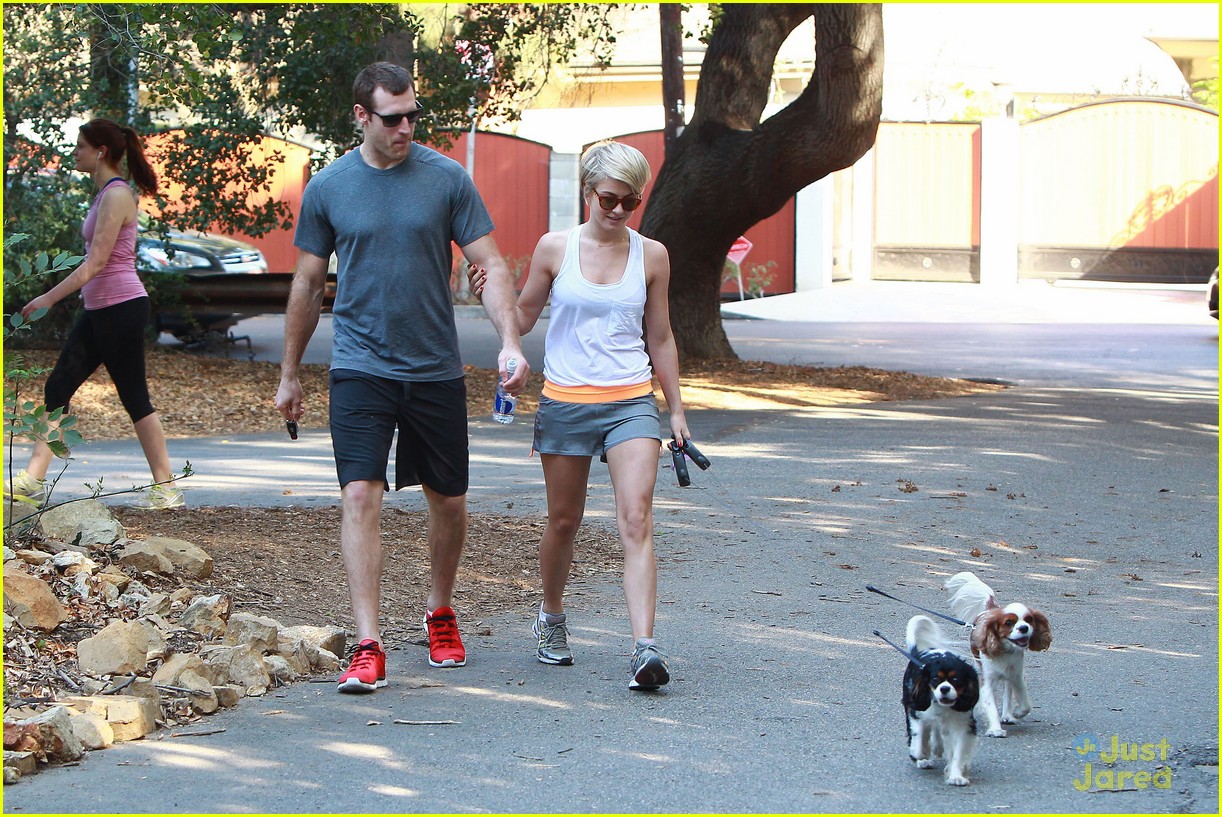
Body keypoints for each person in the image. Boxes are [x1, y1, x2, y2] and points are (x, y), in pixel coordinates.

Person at [274, 62, 529, 694]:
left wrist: (509, 341)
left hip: (432, 366)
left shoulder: (446, 179)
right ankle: (367, 642)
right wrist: (288, 374)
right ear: (362, 116)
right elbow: (307, 283)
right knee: (360, 495)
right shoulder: (330, 186)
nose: (407, 127)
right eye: (394, 118)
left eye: (414, 114)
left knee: (449, 501)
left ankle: (440, 611)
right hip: (360, 365)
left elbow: (491, 265)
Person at [470, 140, 688, 691]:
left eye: (629, 203)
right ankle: (551, 616)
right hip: (566, 401)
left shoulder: (652, 255)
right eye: (608, 199)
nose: (618, 211)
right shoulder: (554, 248)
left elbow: (659, 336)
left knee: (636, 519)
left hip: (631, 401)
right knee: (563, 521)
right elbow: (521, 315)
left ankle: (644, 647)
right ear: (588, 191)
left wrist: (678, 411)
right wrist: (494, 316)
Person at [4, 119, 182, 510]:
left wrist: (48, 298)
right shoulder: (103, 194)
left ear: (100, 151)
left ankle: (167, 487)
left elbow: (96, 262)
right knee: (57, 388)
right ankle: (32, 482)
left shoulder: (117, 194)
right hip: (99, 308)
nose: (75, 152)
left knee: (134, 397)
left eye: (81, 146)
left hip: (121, 307)